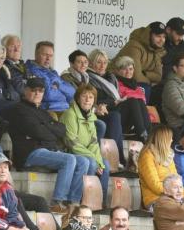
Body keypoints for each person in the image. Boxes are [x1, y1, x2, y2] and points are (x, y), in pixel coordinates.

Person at [7, 78, 87, 212]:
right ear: (26, 91)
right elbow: (37, 131)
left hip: (48, 150)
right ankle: (57, 201)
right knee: (69, 159)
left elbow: (62, 130)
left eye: (41, 91)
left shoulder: (43, 111)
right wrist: (50, 129)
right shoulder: (19, 109)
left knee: (83, 161)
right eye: (34, 90)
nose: (37, 93)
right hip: (29, 153)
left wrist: (47, 129)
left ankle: (74, 203)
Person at [60, 84, 110, 205]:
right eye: (84, 96)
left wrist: (99, 161)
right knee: (91, 162)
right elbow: (72, 143)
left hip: (85, 153)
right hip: (70, 152)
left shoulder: (91, 116)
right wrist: (94, 159)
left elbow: (93, 142)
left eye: (91, 97)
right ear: (78, 98)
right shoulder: (69, 114)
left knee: (105, 164)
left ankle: (98, 201)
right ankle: (83, 199)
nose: (88, 100)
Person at [61, 50, 121, 148]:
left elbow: (92, 98)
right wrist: (96, 109)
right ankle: (108, 151)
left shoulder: (86, 78)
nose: (83, 65)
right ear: (71, 63)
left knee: (116, 115)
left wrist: (97, 107)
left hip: (89, 112)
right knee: (109, 120)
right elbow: (76, 99)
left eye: (85, 62)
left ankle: (114, 154)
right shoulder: (66, 78)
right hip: (76, 113)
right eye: (79, 62)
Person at [138, 125, 184, 209]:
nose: (172, 140)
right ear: (163, 140)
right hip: (155, 199)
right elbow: (154, 185)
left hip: (174, 197)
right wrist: (176, 194)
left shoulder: (168, 155)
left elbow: (177, 181)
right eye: (170, 138)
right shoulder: (147, 155)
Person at [112, 21, 166, 96]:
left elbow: (158, 76)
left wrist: (145, 73)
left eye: (164, 37)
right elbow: (135, 76)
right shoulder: (134, 46)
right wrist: (150, 82)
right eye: (158, 36)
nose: (161, 40)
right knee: (144, 87)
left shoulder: (157, 50)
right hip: (115, 82)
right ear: (149, 35)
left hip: (132, 83)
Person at [111, 55, 153, 142]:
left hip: (135, 120)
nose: (128, 72)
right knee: (133, 101)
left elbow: (143, 104)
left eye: (130, 69)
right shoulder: (115, 83)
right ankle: (143, 134)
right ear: (118, 71)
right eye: (124, 69)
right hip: (121, 118)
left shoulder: (136, 86)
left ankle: (148, 133)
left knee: (139, 101)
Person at [26, 41, 75, 114]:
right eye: (45, 55)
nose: (48, 58)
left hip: (64, 108)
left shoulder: (53, 72)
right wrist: (64, 95)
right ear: (36, 54)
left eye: (51, 55)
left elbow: (72, 92)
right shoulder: (31, 70)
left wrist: (58, 85)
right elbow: (48, 95)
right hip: (49, 110)